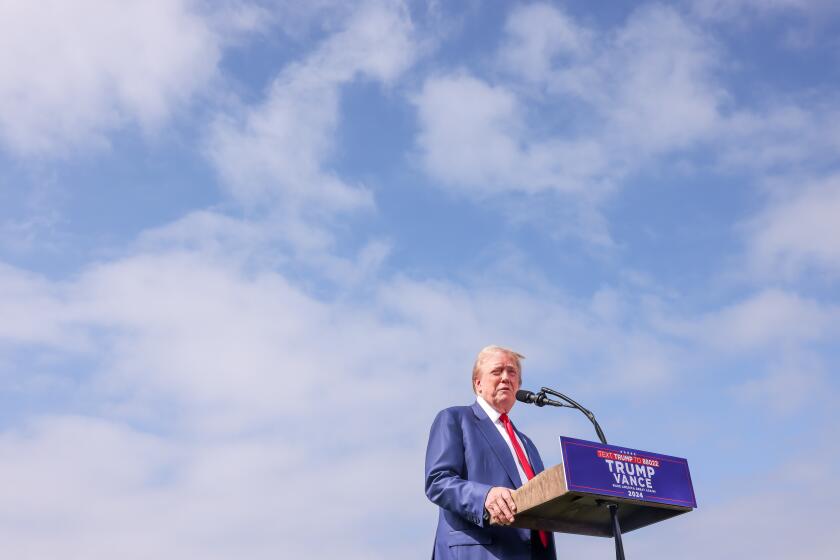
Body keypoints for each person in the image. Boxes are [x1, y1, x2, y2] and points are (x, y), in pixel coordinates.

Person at [425, 346, 557, 560]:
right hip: (479, 552)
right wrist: (484, 496)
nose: (505, 378)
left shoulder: (527, 444)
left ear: (518, 386)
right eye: (497, 371)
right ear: (478, 384)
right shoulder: (454, 419)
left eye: (512, 372)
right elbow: (437, 482)